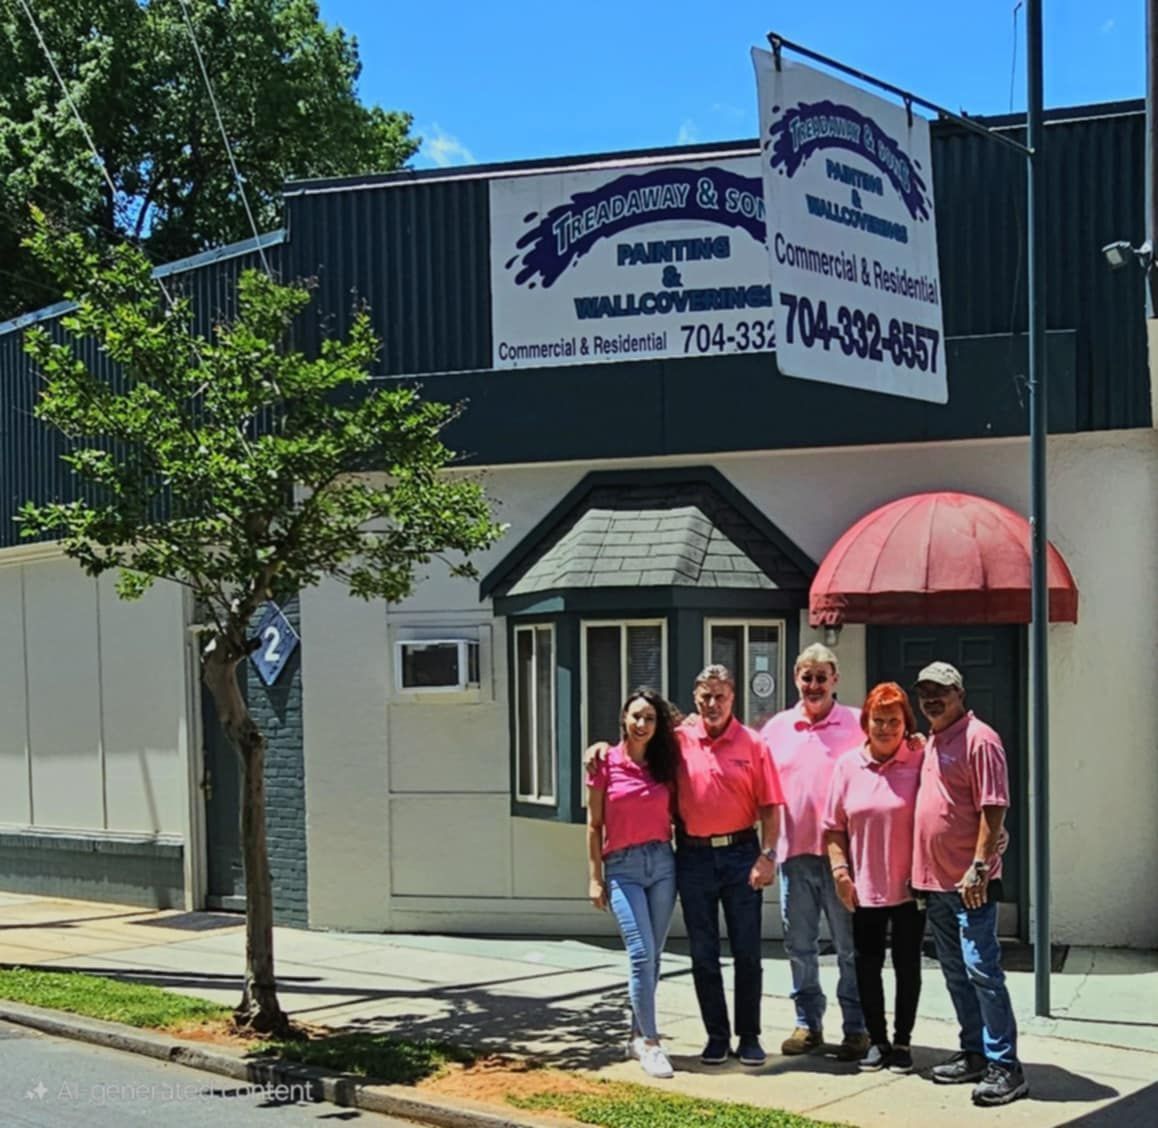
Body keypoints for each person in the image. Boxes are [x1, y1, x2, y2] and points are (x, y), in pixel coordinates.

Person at [587, 664, 783, 1066]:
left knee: (747, 951)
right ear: (696, 699)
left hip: (741, 853)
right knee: (703, 952)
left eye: (721, 696)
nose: (713, 704)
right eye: (705, 696)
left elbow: (771, 806)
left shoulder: (753, 744)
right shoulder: (678, 741)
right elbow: (636, 748)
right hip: (691, 855)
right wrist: (598, 748)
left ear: (733, 698)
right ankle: (715, 1036)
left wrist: (768, 855)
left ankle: (748, 1036)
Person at [911, 662, 1028, 1107]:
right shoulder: (935, 741)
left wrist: (980, 865)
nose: (931, 699)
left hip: (969, 882)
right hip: (936, 882)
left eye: (939, 691)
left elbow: (993, 806)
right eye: (924, 692)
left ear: (959, 693)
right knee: (956, 973)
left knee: (983, 972)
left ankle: (1006, 1066)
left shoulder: (981, 739)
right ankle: (975, 1052)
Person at [761, 643, 869, 1061]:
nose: (814, 685)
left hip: (842, 857)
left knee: (848, 948)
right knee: (799, 945)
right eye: (807, 677)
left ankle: (856, 1028)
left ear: (835, 680)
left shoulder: (859, 723)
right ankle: (808, 1023)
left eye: (821, 677)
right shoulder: (777, 728)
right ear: (795, 678)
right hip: (793, 855)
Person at [823, 682, 926, 1075]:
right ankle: (877, 1041)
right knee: (866, 965)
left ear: (906, 725)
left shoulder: (920, 759)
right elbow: (834, 828)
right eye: (879, 720)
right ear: (866, 722)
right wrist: (840, 872)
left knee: (907, 965)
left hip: (910, 887)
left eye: (894, 721)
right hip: (863, 888)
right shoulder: (848, 766)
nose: (886, 729)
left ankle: (902, 1042)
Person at [586, 687, 680, 1079]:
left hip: (661, 862)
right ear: (624, 718)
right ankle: (652, 1044)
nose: (642, 724)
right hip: (622, 867)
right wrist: (594, 878)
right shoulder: (604, 762)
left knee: (654, 957)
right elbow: (594, 825)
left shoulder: (665, 764)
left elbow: (695, 725)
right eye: (636, 716)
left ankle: (635, 1035)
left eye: (650, 718)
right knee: (641, 954)